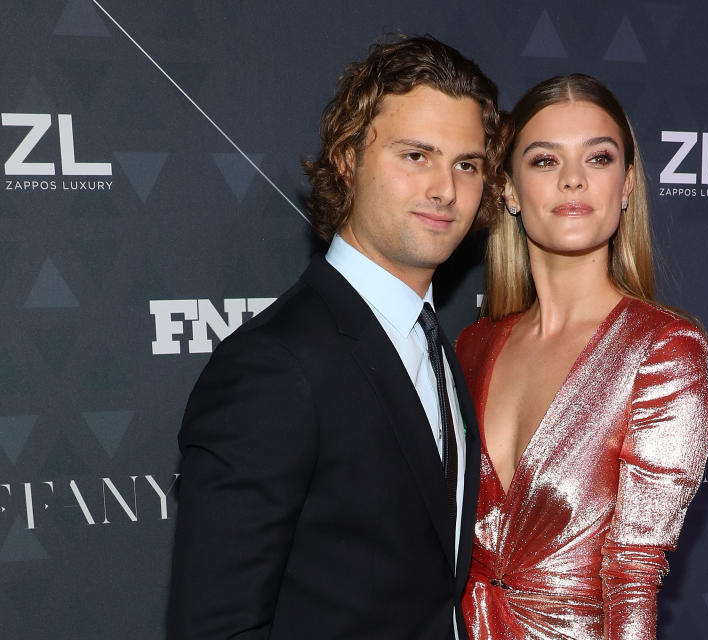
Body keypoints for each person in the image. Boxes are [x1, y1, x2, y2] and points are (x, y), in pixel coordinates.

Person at [167, 36, 504, 640]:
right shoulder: (274, 366)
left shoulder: (437, 344)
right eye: (415, 155)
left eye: (467, 163)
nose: (445, 189)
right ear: (348, 158)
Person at [455, 74, 708, 639]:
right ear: (509, 190)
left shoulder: (663, 351)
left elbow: (633, 579)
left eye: (599, 158)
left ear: (626, 187)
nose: (573, 179)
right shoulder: (471, 346)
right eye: (545, 161)